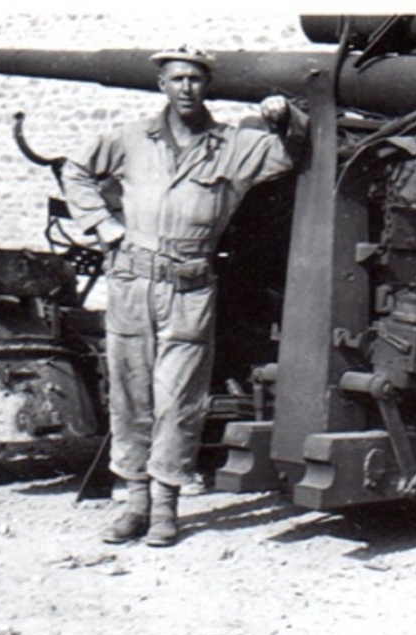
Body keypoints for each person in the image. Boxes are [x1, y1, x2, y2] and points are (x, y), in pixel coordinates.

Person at [61, 45, 307, 546]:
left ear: (207, 85)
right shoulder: (131, 139)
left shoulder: (234, 145)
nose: (186, 88)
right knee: (131, 397)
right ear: (162, 86)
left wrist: (287, 117)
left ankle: (166, 509)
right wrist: (104, 227)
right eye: (176, 79)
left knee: (178, 400)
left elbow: (288, 155)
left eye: (195, 79)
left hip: (189, 288)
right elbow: (77, 171)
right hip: (131, 281)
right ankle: (134, 505)